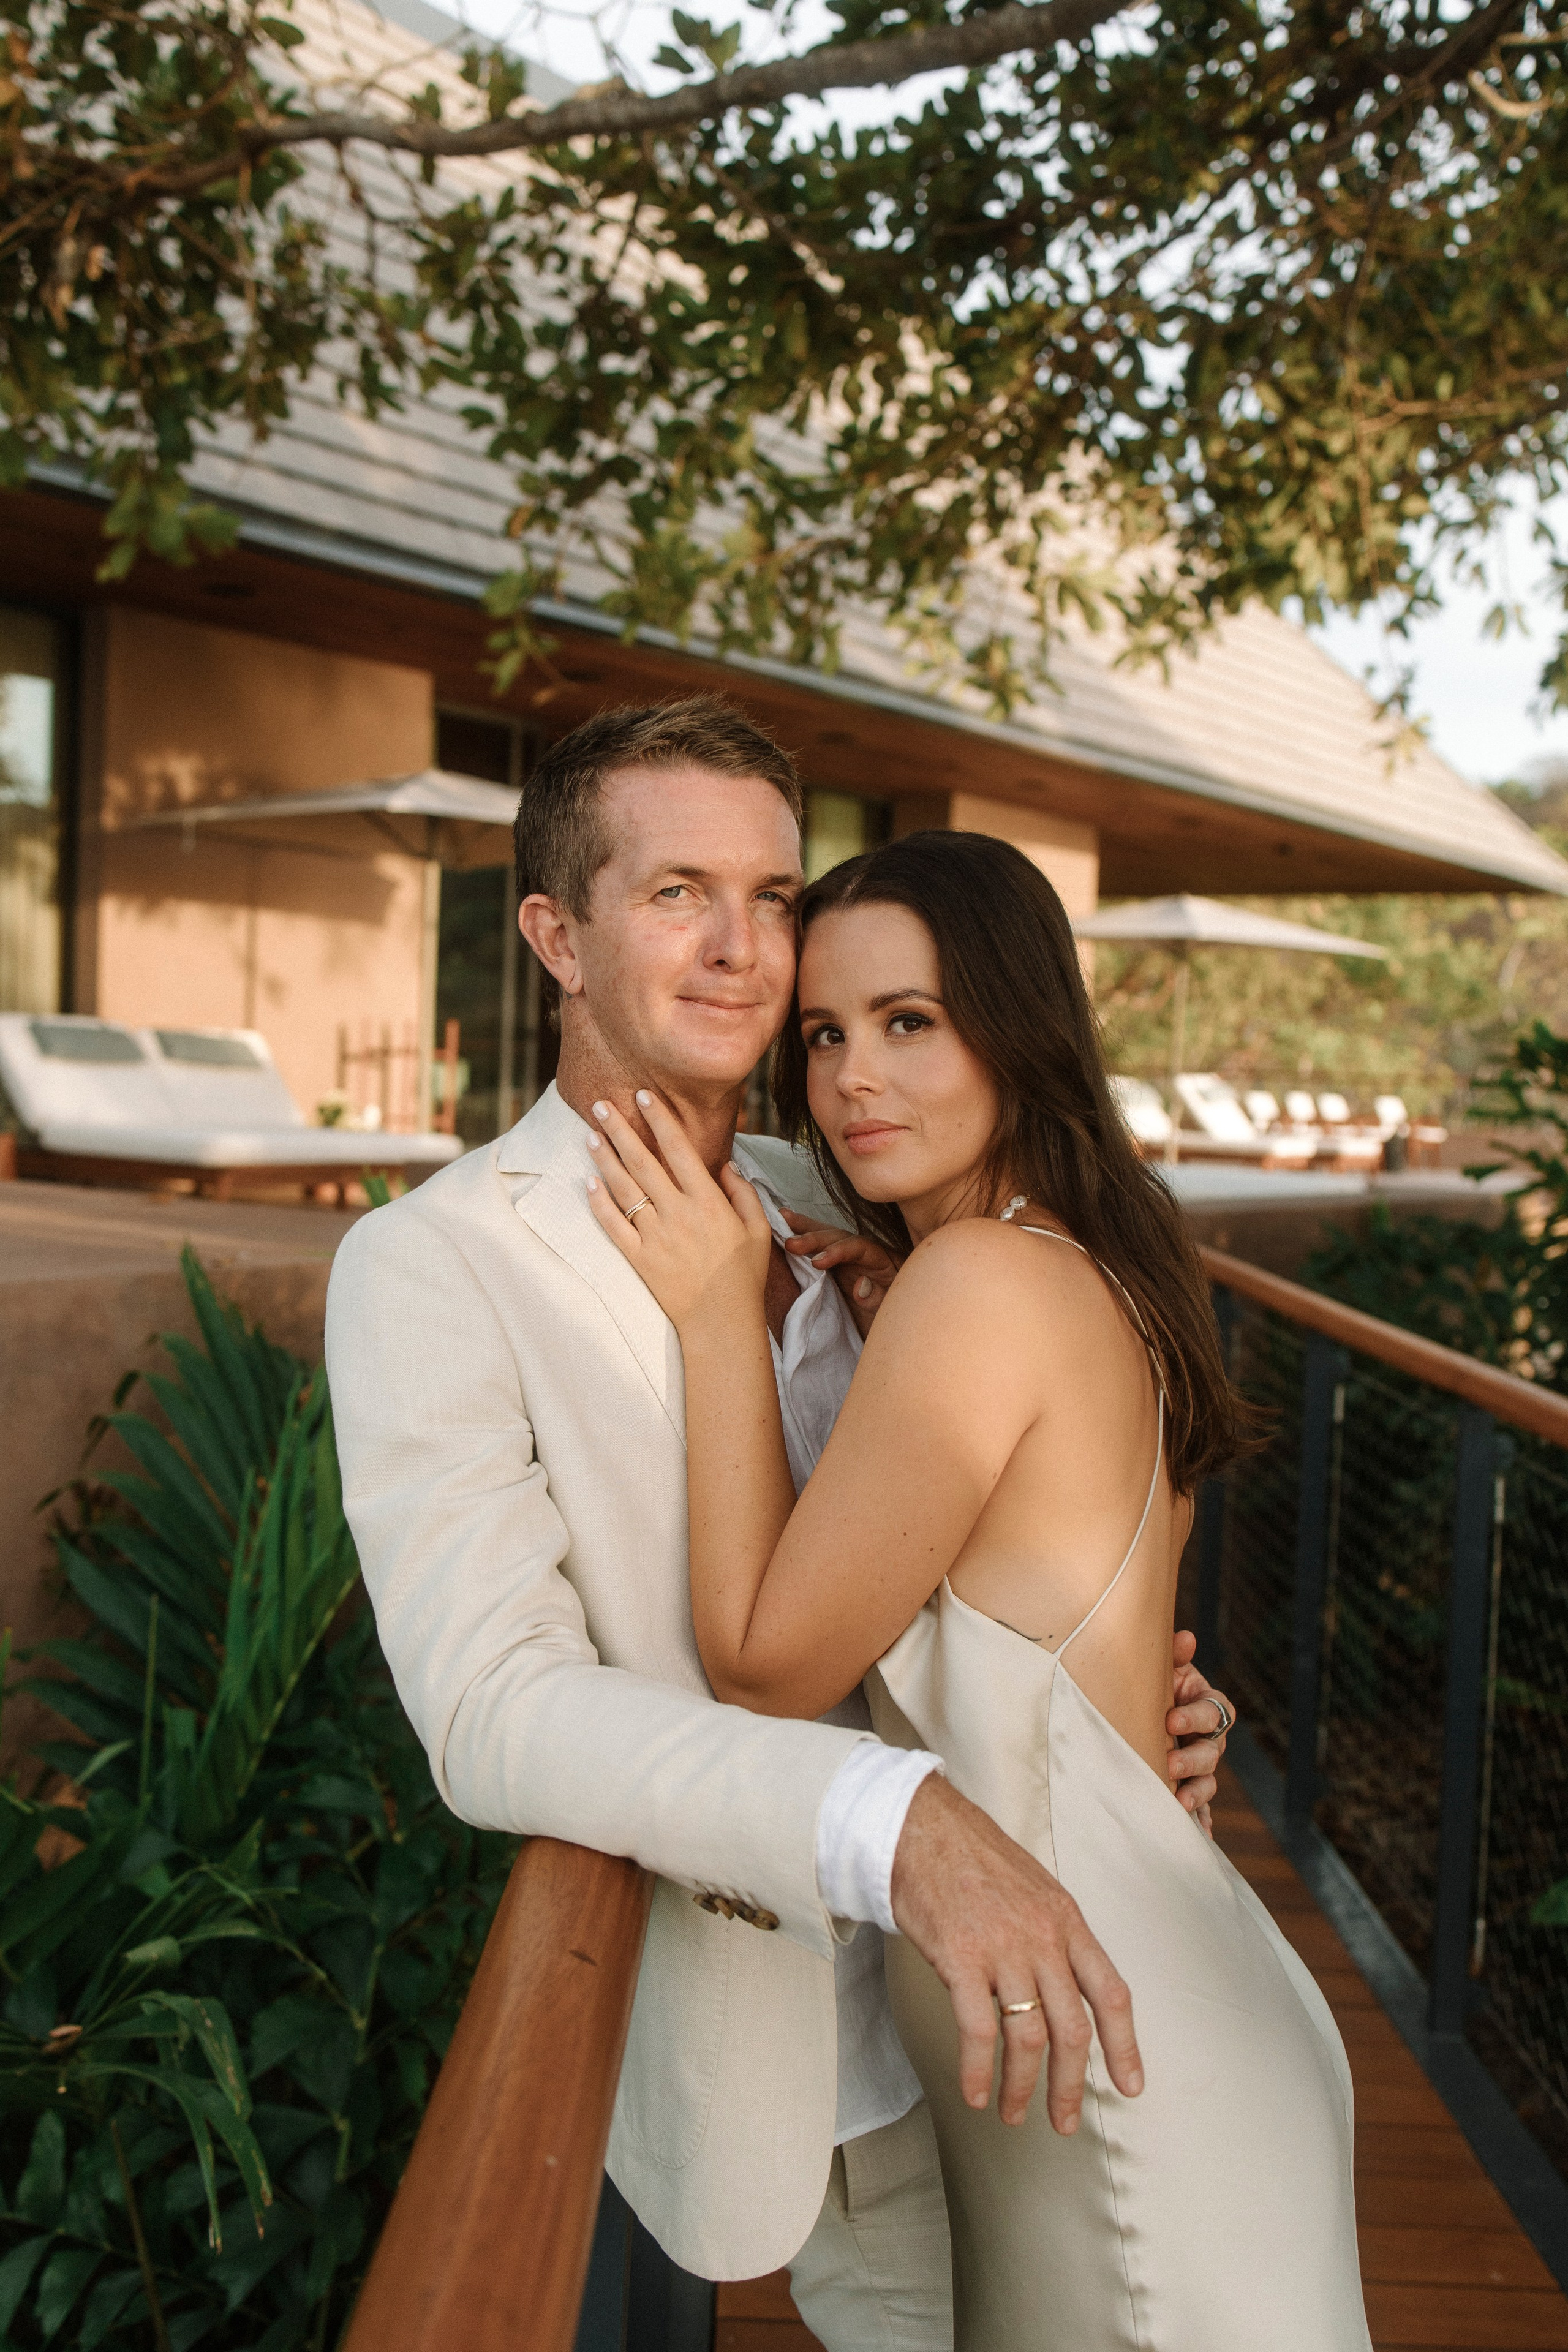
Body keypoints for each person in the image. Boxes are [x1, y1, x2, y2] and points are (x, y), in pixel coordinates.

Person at [324, 700, 1236, 2350]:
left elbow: (1006, 1509)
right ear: (557, 933)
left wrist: (1093, 1720)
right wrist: (904, 1825)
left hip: (1034, 1990)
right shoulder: (433, 1264)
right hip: (800, 2038)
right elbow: (493, 1711)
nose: (745, 950)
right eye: (678, 893)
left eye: (771, 895)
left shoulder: (859, 1194)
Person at [584, 828, 1373, 2350]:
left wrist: (705, 1314)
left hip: (1107, 2067)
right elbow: (1112, 1689)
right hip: (1135, 2003)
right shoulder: (1095, 1267)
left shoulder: (976, 1286)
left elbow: (758, 1659)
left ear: (1014, 1027)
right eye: (821, 1035)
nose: (849, 1080)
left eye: (907, 1022)